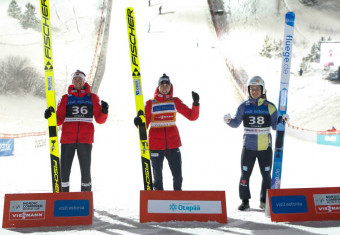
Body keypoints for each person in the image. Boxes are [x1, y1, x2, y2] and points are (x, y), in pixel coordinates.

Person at [223, 76, 289, 211]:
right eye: (252, 89)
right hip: (248, 148)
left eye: (257, 89)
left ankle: (264, 201)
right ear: (248, 90)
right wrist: (228, 120)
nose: (254, 91)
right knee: (245, 175)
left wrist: (283, 120)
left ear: (262, 90)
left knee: (266, 176)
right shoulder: (243, 106)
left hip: (265, 148)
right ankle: (245, 201)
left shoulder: (270, 107)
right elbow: (235, 123)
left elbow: (276, 126)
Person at [44, 70, 108, 192]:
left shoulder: (93, 97)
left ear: (84, 81)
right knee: (64, 171)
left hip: (85, 139)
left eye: (80, 79)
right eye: (75, 79)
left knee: (85, 171)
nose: (78, 82)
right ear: (72, 82)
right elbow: (58, 120)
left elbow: (100, 120)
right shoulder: (65, 98)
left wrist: (104, 111)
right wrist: (50, 115)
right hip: (67, 139)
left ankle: (85, 197)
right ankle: (64, 196)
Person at [134, 73, 199, 190]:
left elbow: (191, 116)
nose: (164, 88)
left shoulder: (175, 102)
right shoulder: (150, 104)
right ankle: (159, 199)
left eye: (167, 86)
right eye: (162, 86)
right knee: (157, 178)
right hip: (155, 145)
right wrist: (138, 122)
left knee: (178, 176)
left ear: (170, 87)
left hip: (173, 144)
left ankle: (177, 197)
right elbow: (144, 127)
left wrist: (195, 104)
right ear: (158, 87)